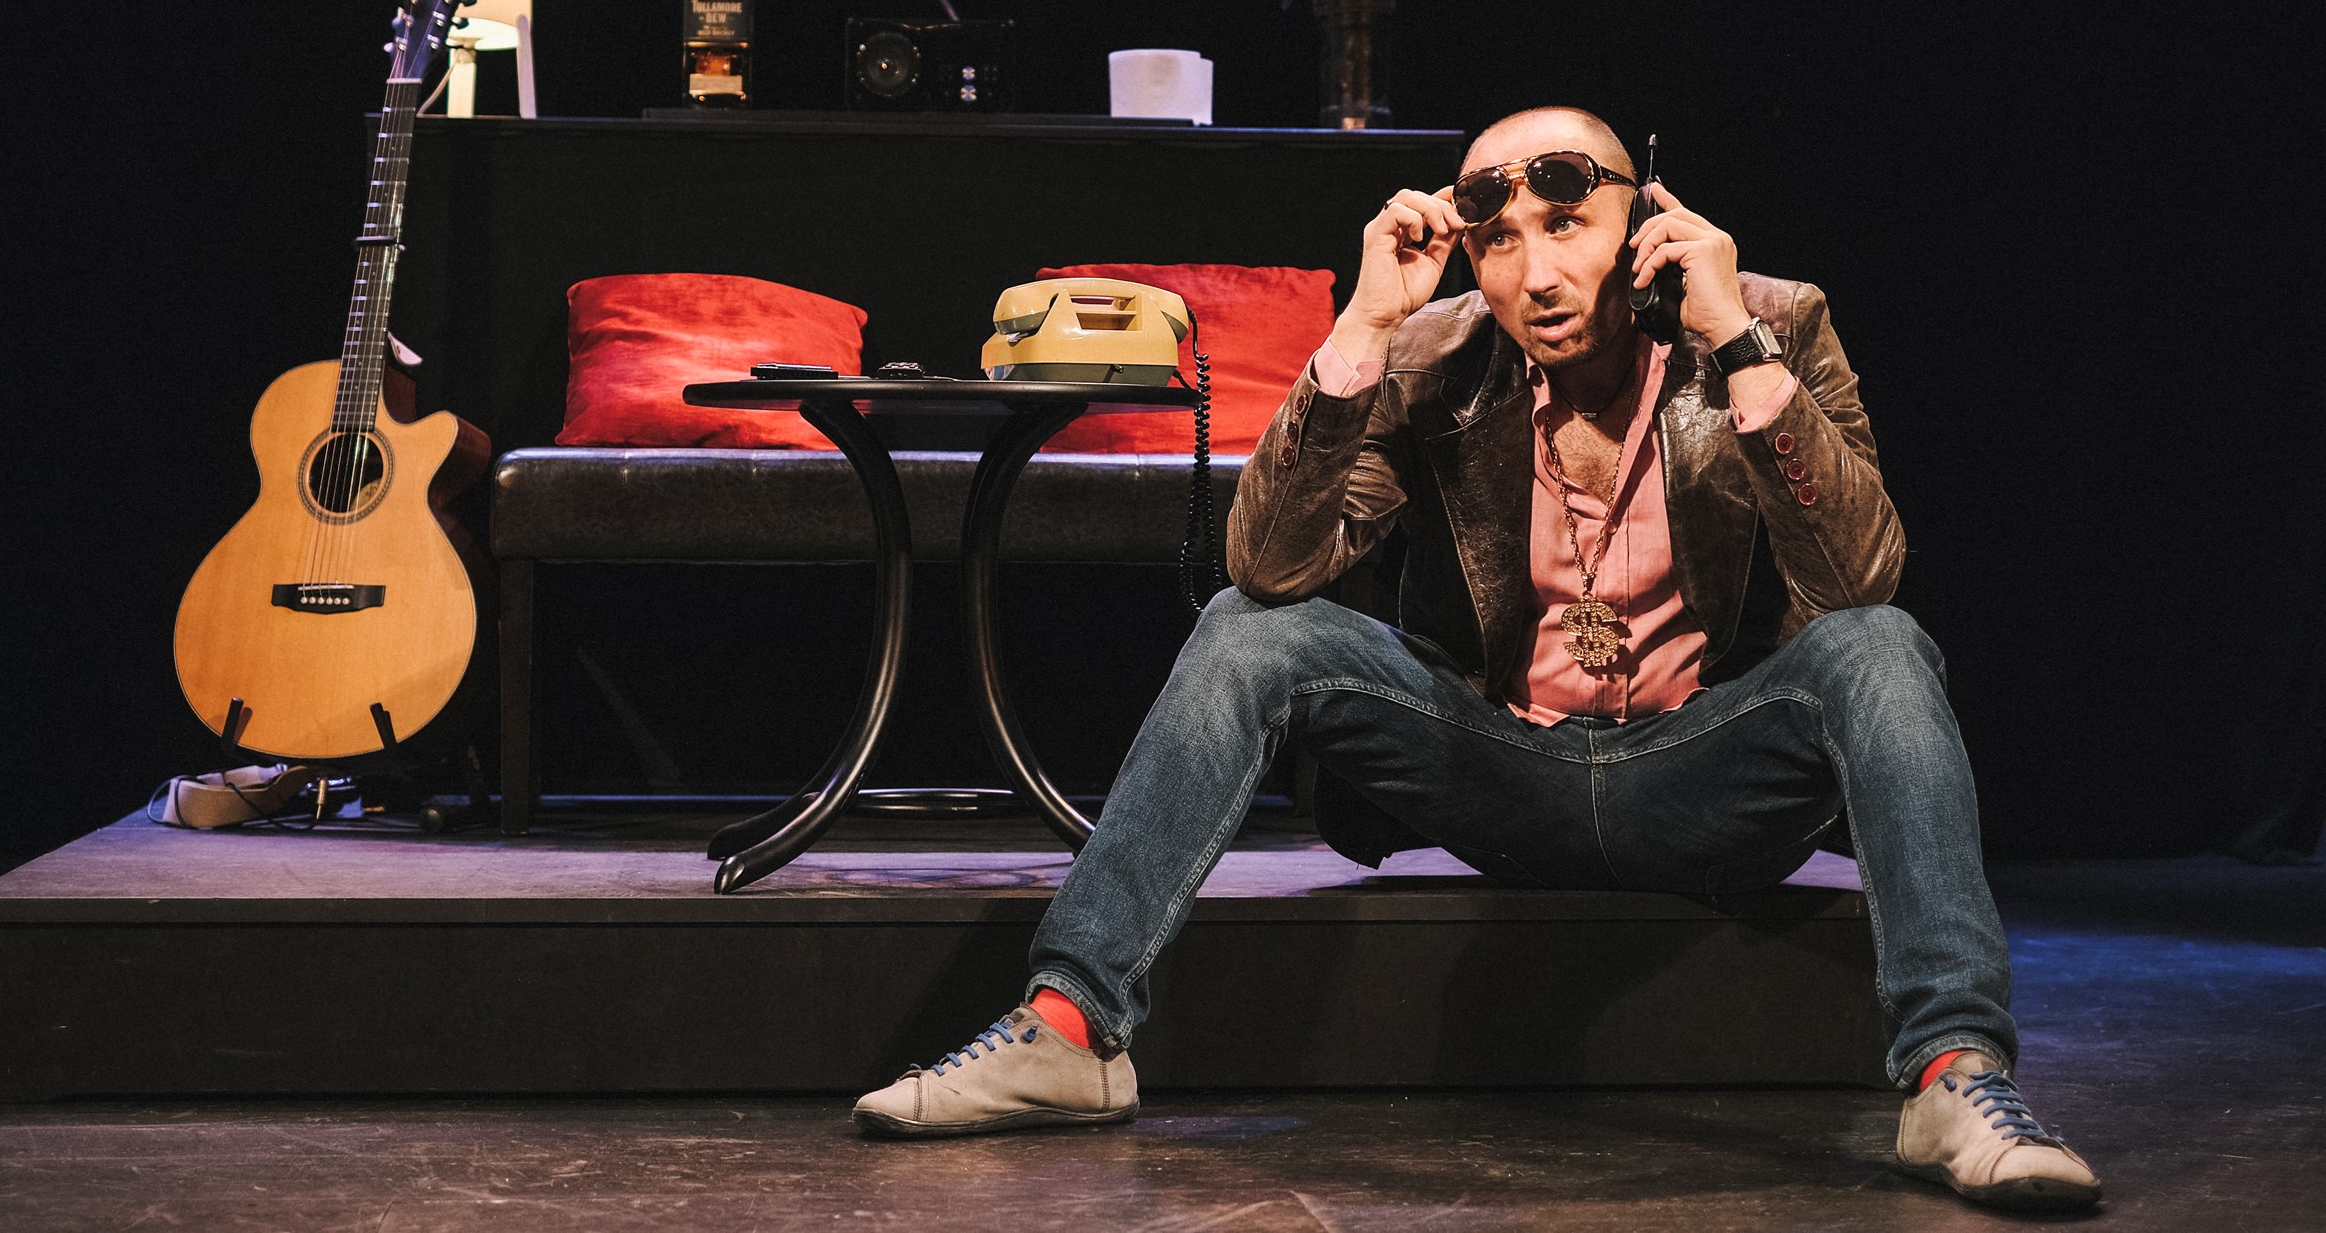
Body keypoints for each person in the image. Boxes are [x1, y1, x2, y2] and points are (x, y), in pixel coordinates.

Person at [853, 106, 2100, 1211]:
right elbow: (1273, 564)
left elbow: (1858, 576)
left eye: (1567, 224)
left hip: (1701, 769)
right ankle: (1071, 1029)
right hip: (1503, 765)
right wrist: (1363, 326)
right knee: (1248, 628)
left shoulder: (1773, 320)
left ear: (1643, 223)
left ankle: (1953, 1074)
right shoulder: (1431, 354)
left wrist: (1734, 342)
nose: (1534, 273)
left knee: (1881, 644)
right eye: (1498, 240)